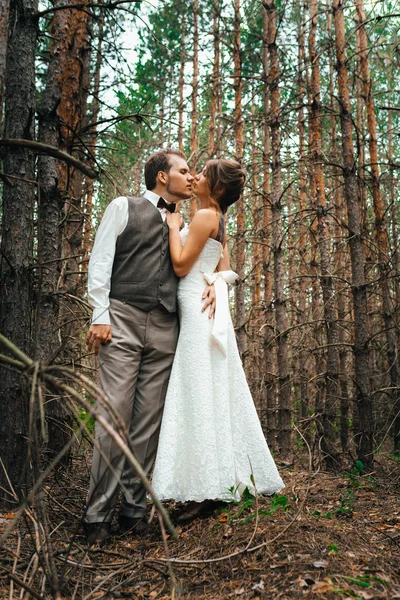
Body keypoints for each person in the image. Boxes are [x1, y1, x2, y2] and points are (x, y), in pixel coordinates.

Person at [84, 149, 216, 545]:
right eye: (184, 170)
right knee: (115, 418)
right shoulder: (124, 206)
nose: (191, 177)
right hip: (121, 320)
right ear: (162, 176)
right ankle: (95, 517)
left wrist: (216, 283)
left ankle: (133, 511)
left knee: (147, 425)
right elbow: (101, 260)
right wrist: (99, 314)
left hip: (165, 326)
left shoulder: (189, 223)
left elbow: (204, 267)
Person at [152, 159, 284, 522]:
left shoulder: (205, 217)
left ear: (218, 189)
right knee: (206, 389)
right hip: (200, 308)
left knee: (196, 391)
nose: (195, 177)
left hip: (196, 312)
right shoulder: (216, 218)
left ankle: (206, 488)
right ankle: (213, 479)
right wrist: (221, 281)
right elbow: (225, 265)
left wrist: (172, 226)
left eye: (204, 175)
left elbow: (180, 266)